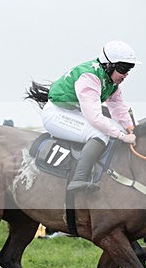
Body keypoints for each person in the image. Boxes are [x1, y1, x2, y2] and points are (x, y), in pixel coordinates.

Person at [41, 40, 139, 192]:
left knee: (118, 127)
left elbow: (119, 108)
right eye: (123, 68)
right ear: (109, 65)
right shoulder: (90, 78)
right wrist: (122, 136)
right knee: (99, 133)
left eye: (129, 69)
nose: (126, 74)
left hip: (72, 112)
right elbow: (94, 117)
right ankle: (78, 179)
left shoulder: (110, 81)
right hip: (56, 115)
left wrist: (130, 128)